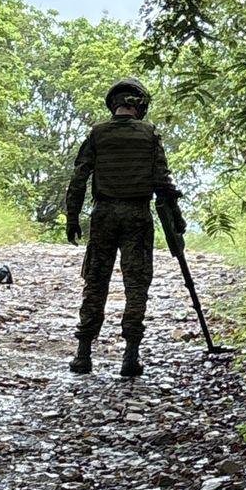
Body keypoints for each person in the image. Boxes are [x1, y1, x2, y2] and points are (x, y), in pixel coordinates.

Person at [64, 77, 181, 378]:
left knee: (96, 282)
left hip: (103, 215)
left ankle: (83, 354)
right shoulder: (149, 135)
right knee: (136, 285)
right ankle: (130, 355)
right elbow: (163, 182)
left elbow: (79, 179)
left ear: (113, 104)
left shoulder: (98, 134)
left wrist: (72, 217)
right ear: (139, 105)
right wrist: (176, 218)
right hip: (137, 216)